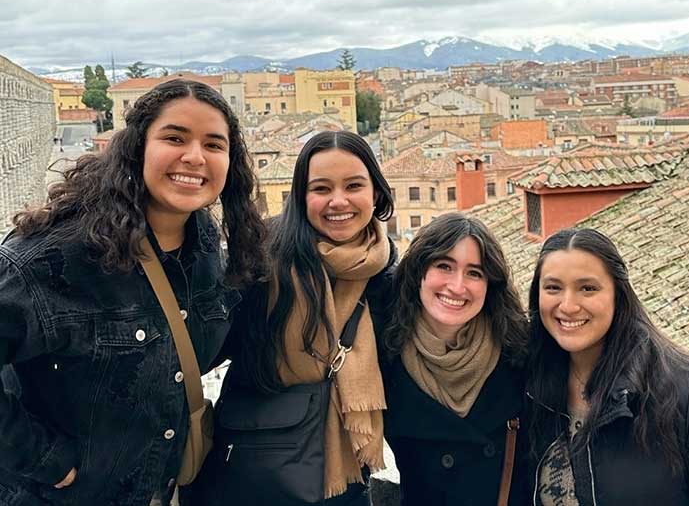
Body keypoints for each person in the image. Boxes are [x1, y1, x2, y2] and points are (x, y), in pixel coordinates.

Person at [0, 79, 267, 505]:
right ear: (138, 146)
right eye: (175, 137)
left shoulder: (205, 250)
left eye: (214, 144)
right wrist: (45, 458)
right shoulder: (53, 258)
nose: (195, 157)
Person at [194, 130, 397, 506]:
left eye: (354, 185)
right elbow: (209, 347)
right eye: (321, 188)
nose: (339, 201)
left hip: (345, 481)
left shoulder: (385, 276)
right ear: (301, 197)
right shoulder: (262, 261)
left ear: (376, 193)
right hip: (255, 475)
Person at [524, 228, 689, 505]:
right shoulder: (528, 388)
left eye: (588, 288)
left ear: (618, 295)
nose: (568, 305)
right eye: (553, 287)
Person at [380, 212, 528, 506]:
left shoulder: (521, 353)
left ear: (490, 284)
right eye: (444, 266)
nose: (457, 287)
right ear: (419, 271)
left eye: (474, 272)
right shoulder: (384, 354)